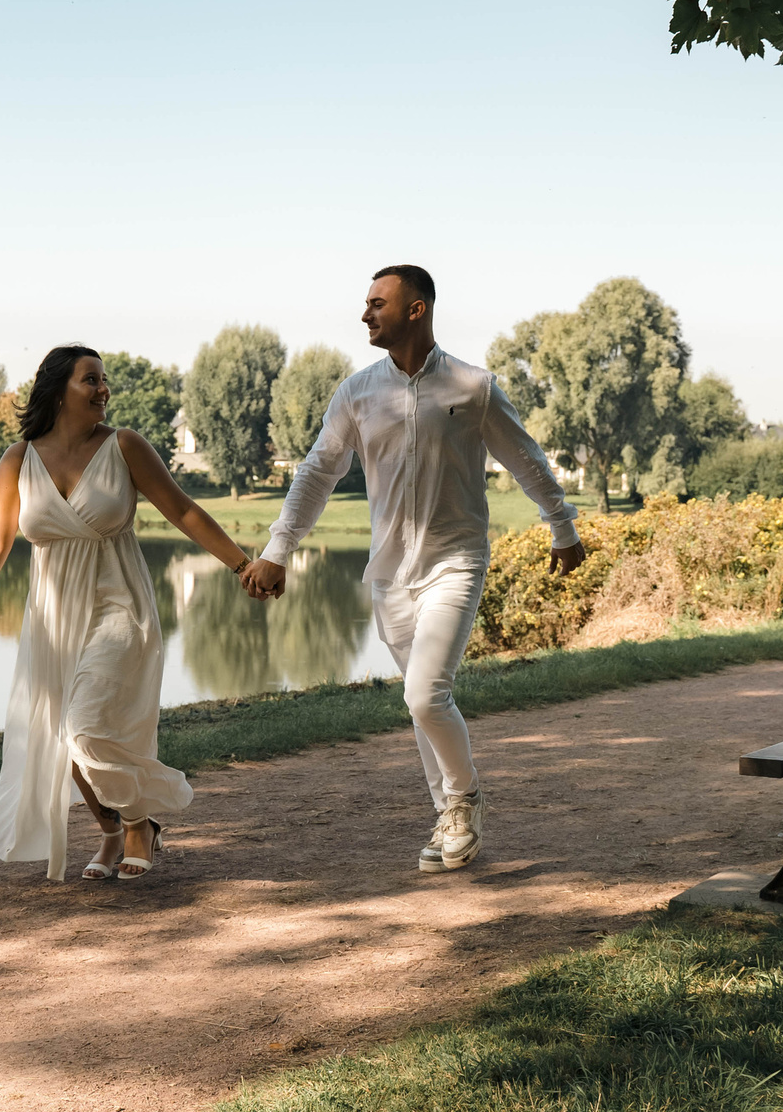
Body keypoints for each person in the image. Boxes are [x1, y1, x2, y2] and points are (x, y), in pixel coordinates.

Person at [242, 265, 585, 871]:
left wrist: (562, 526)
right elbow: (318, 474)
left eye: (378, 303)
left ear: (416, 310)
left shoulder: (471, 387)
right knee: (417, 700)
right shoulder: (355, 392)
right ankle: (449, 815)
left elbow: (526, 459)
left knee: (427, 695)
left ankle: (465, 800)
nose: (366, 313)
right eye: (366, 303)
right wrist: (278, 548)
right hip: (390, 574)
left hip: (456, 560)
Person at [0, 345, 263, 881]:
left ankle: (137, 821)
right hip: (53, 619)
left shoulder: (124, 446)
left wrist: (242, 565)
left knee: (83, 728)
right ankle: (112, 831)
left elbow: (181, 509)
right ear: (59, 389)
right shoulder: (19, 459)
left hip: (120, 608)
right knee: (64, 736)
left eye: (103, 380)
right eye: (91, 380)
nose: (103, 389)